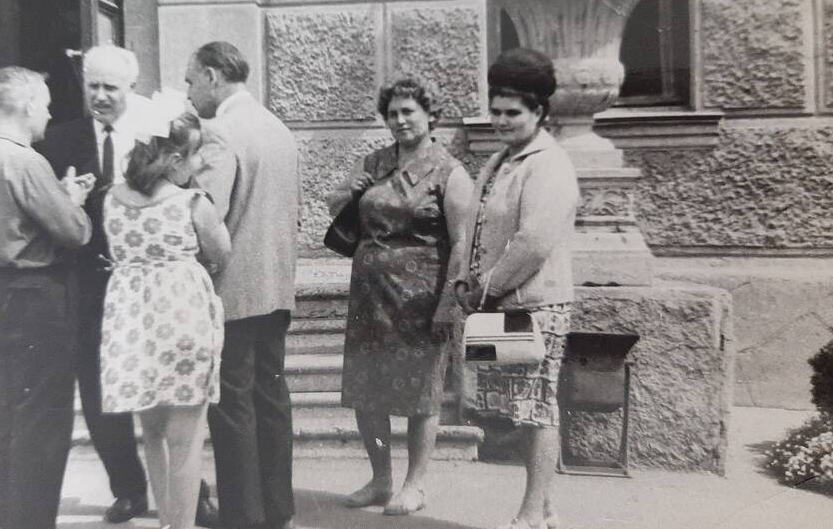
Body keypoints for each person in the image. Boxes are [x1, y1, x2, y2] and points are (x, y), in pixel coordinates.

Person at [36, 45, 219, 526]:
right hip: (92, 286)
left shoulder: (151, 135)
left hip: (142, 293)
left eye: (109, 88)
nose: (99, 96)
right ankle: (128, 488)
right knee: (103, 395)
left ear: (129, 90)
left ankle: (186, 499)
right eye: (91, 86)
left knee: (164, 414)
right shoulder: (58, 141)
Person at [327, 78, 472, 516]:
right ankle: (380, 479)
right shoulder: (374, 162)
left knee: (420, 392)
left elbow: (462, 242)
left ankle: (415, 484)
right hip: (370, 293)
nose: (400, 120)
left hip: (421, 298)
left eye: (408, 111)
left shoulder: (451, 172)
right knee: (366, 389)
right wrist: (353, 189)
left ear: (430, 116)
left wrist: (450, 302)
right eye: (392, 113)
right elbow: (334, 204)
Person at [0, 66, 94, 529]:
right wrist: (72, 202)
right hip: (37, 296)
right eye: (47, 105)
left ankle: (5, 516)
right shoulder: (25, 161)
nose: (50, 114)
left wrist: (59, 195)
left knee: (12, 409)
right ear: (29, 106)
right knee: (45, 419)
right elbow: (72, 232)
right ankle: (32, 521)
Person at [450, 48, 579, 529]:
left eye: (513, 113)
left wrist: (484, 287)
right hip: (495, 302)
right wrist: (463, 278)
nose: (500, 121)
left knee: (537, 407)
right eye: (496, 111)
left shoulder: (548, 163)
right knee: (508, 408)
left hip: (536, 304)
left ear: (539, 112)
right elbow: (472, 227)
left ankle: (531, 514)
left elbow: (534, 243)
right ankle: (544, 508)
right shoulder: (501, 161)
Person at [187, 41, 301, 529]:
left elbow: (204, 217)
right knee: (271, 400)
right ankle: (278, 511)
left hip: (231, 290)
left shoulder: (218, 132)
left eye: (191, 81)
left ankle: (242, 516)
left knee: (232, 407)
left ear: (214, 76)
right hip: (276, 287)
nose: (188, 93)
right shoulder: (278, 128)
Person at [100, 111, 230, 529]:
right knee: (186, 439)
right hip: (182, 320)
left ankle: (166, 523)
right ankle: (183, 526)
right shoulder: (191, 202)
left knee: (152, 434)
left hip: (132, 324)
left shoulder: (110, 199)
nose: (198, 165)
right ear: (174, 159)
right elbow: (221, 252)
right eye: (195, 156)